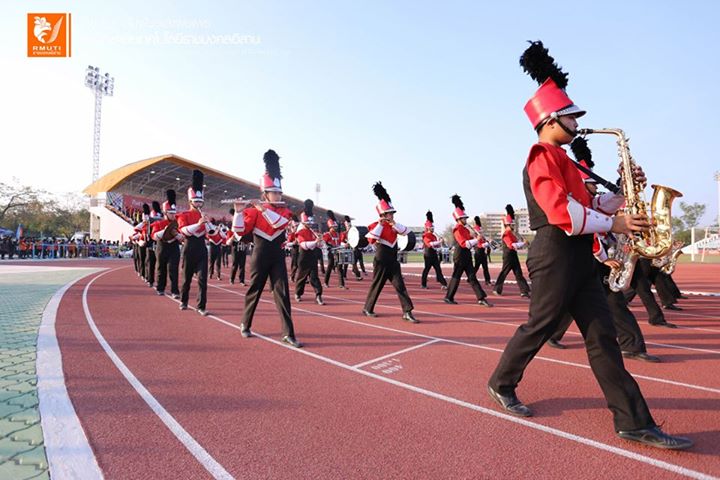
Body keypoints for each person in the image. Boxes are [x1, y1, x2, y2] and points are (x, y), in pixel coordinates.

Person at [487, 41, 691, 449]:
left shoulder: (565, 160)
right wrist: (616, 220)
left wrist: (621, 193)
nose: (577, 122)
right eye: (570, 116)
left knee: (603, 338)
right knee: (540, 325)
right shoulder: (540, 155)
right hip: (554, 253)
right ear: (549, 121)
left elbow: (588, 204)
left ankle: (633, 420)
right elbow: (562, 211)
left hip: (578, 256)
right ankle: (501, 382)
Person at [546, 138, 659, 362]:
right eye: (592, 185)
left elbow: (603, 208)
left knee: (581, 302)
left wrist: (625, 184)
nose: (595, 188)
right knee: (608, 303)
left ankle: (554, 333)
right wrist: (604, 258)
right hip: (586, 257)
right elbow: (589, 231)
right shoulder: (576, 201)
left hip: (592, 258)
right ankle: (631, 345)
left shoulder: (589, 199)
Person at [231, 149, 301, 348]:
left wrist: (264, 210)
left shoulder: (284, 211)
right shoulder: (253, 211)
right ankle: (245, 323)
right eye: (275, 192)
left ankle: (288, 333)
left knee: (283, 294)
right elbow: (238, 232)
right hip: (260, 255)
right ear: (265, 193)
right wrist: (238, 212)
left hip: (277, 256)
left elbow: (278, 224)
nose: (278, 195)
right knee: (255, 290)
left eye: (279, 192)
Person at [362, 182, 418, 323]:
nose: (392, 215)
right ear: (383, 214)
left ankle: (407, 311)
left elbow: (407, 232)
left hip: (393, 260)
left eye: (392, 213)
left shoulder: (394, 225)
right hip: (381, 259)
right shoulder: (375, 226)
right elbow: (371, 240)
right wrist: (381, 224)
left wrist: (394, 225)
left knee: (400, 285)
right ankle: (368, 308)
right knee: (377, 285)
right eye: (389, 213)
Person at [444, 195, 492, 307]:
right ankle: (448, 297)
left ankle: (481, 298)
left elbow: (471, 241)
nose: (466, 220)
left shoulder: (465, 229)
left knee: (472, 277)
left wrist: (478, 238)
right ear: (459, 219)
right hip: (460, 255)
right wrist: (476, 239)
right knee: (456, 277)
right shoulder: (457, 229)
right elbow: (464, 243)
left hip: (466, 255)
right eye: (464, 218)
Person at [176, 170, 210, 316]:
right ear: (190, 201)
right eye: (196, 201)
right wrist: (198, 223)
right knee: (186, 279)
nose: (198, 204)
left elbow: (212, 234)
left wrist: (209, 225)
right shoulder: (183, 215)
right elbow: (184, 231)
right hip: (189, 248)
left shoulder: (204, 216)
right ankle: (184, 301)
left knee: (203, 279)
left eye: (200, 201)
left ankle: (201, 306)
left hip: (202, 249)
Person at [493, 204, 531, 298]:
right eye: (512, 224)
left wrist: (522, 243)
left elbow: (516, 245)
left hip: (514, 255)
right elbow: (512, 245)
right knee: (504, 273)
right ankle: (496, 289)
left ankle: (524, 291)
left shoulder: (512, 234)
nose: (514, 226)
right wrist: (523, 243)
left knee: (518, 273)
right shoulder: (506, 234)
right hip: (508, 256)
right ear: (508, 225)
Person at [151, 189, 183, 299]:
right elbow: (154, 236)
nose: (173, 215)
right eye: (171, 213)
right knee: (161, 268)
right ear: (165, 213)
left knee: (173, 269)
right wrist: (165, 231)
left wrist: (179, 236)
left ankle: (175, 291)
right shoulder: (159, 223)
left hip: (174, 248)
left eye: (174, 213)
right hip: (162, 247)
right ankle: (160, 288)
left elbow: (182, 234)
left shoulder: (178, 223)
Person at [294, 200, 325, 305]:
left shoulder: (312, 231)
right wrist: (315, 242)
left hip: (312, 255)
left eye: (310, 223)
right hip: (304, 256)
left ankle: (318, 295)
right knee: (301, 277)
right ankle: (298, 293)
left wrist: (320, 242)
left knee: (314, 277)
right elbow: (304, 245)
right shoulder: (300, 231)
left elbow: (319, 245)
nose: (310, 225)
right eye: (308, 223)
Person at [420, 211, 448, 290]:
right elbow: (430, 244)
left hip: (434, 254)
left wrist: (440, 242)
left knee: (438, 269)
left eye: (433, 228)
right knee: (426, 269)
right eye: (431, 228)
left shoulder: (433, 236)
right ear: (427, 228)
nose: (433, 229)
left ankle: (444, 283)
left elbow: (437, 245)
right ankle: (423, 284)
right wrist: (439, 242)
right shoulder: (425, 235)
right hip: (428, 255)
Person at [323, 210, 346, 289]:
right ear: (330, 227)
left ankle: (341, 284)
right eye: (334, 227)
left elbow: (339, 242)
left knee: (340, 268)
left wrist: (344, 245)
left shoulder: (337, 234)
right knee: (330, 267)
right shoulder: (327, 234)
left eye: (336, 227)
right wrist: (330, 246)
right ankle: (325, 282)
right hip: (331, 252)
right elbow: (325, 243)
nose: (335, 228)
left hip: (338, 252)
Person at [226, 208, 248, 286]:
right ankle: (231, 279)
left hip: (243, 248)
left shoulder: (244, 227)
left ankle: (241, 280)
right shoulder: (231, 229)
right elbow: (228, 242)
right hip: (235, 249)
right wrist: (233, 237)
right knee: (235, 265)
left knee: (242, 266)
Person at [472, 216, 493, 285]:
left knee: (485, 267)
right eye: (480, 232)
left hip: (483, 253)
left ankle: (487, 281)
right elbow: (480, 245)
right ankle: (470, 278)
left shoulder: (482, 237)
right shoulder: (476, 238)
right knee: (476, 267)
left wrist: (488, 242)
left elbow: (484, 244)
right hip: (478, 252)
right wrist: (488, 243)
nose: (481, 233)